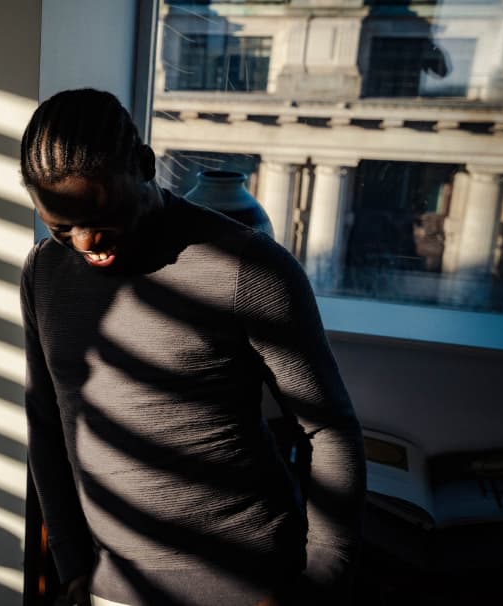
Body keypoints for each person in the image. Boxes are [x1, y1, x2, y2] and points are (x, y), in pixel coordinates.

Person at [19, 88, 366, 606]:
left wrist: (318, 579)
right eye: (62, 226)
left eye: (98, 215)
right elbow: (47, 423)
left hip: (251, 582)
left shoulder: (248, 266)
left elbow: (329, 428)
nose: (86, 241)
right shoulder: (43, 272)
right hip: (115, 587)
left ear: (144, 165)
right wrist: (71, 564)